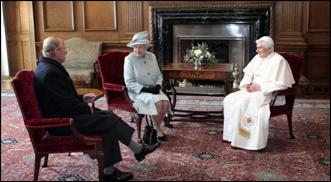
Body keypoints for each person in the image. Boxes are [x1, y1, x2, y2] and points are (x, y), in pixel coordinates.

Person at [34, 36, 160, 181]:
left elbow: (62, 99)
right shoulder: (50, 72)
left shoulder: (48, 67)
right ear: (56, 51)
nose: (66, 51)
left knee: (107, 118)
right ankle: (124, 160)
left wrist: (82, 99)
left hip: (66, 114)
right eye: (64, 48)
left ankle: (117, 164)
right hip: (62, 122)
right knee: (108, 120)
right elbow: (66, 104)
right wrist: (88, 109)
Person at [222, 36, 295, 150]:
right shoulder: (257, 58)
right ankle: (231, 136)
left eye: (260, 48)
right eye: (257, 48)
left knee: (242, 102)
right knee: (229, 99)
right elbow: (248, 74)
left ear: (269, 48)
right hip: (251, 89)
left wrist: (261, 87)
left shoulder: (279, 61)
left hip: (266, 93)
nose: (257, 50)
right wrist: (247, 84)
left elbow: (282, 84)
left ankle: (245, 139)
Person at [124, 31, 171, 143]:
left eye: (141, 47)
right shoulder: (129, 59)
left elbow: (159, 75)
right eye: (135, 47)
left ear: (146, 47)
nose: (137, 50)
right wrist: (146, 89)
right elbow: (129, 82)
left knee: (165, 102)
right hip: (138, 91)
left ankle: (155, 126)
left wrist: (158, 85)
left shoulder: (152, 57)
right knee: (158, 103)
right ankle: (158, 130)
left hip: (154, 88)